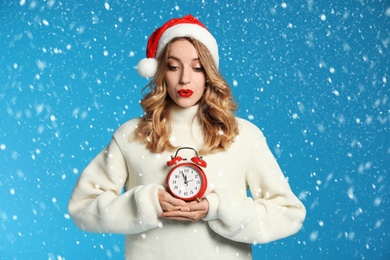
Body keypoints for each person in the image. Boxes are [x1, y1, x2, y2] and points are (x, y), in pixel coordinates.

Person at [68, 14, 306, 259]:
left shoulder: (243, 136)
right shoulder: (132, 134)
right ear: (160, 71)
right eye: (173, 66)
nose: (184, 78)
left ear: (209, 73)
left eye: (197, 67)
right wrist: (147, 203)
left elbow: (288, 213)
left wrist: (219, 209)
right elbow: (82, 206)